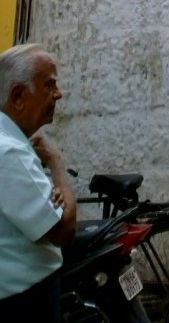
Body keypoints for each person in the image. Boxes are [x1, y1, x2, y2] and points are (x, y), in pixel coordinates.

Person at [0, 44, 76, 321]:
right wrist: (56, 163)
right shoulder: (8, 152)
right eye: (49, 85)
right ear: (18, 96)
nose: (59, 94)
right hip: (23, 300)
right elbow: (63, 229)